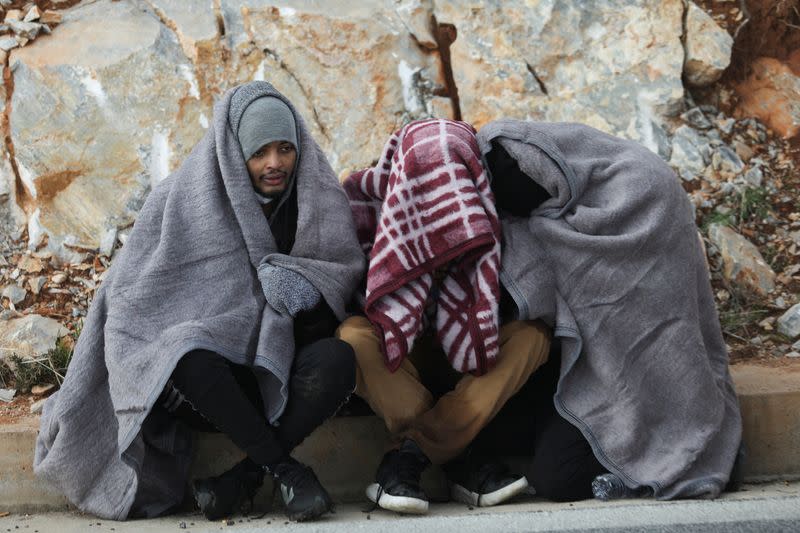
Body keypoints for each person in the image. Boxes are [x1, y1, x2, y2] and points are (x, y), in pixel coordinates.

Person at [33, 81, 365, 522]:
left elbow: (342, 276)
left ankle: (241, 479)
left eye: (285, 149)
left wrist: (302, 288)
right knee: (186, 349)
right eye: (259, 151)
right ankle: (286, 470)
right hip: (207, 391)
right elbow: (133, 298)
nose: (274, 163)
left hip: (279, 374)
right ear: (233, 152)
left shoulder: (315, 199)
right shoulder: (180, 201)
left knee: (338, 359)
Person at [474, 119, 743, 501]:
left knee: (555, 479)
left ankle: (689, 458)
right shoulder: (549, 207)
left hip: (662, 376)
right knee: (507, 435)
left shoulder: (645, 188)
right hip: (587, 369)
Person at [337, 118, 553, 514]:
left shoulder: (492, 206)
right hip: (399, 357)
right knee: (351, 337)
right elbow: (341, 286)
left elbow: (525, 291)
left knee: (532, 336)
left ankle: (409, 457)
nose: (441, 189)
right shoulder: (361, 202)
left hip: (470, 353)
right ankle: (464, 460)